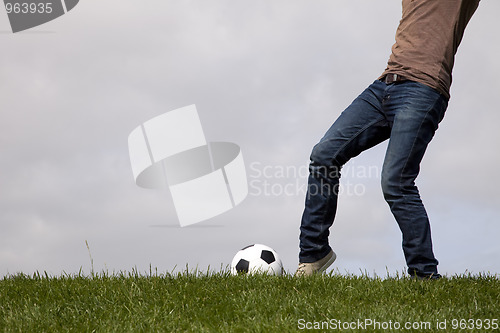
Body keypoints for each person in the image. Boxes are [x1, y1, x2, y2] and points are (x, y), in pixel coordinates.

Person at [295, 0, 480, 279]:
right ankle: (314, 253)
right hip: (384, 86)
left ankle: (424, 275)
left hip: (424, 89)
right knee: (324, 155)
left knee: (396, 182)